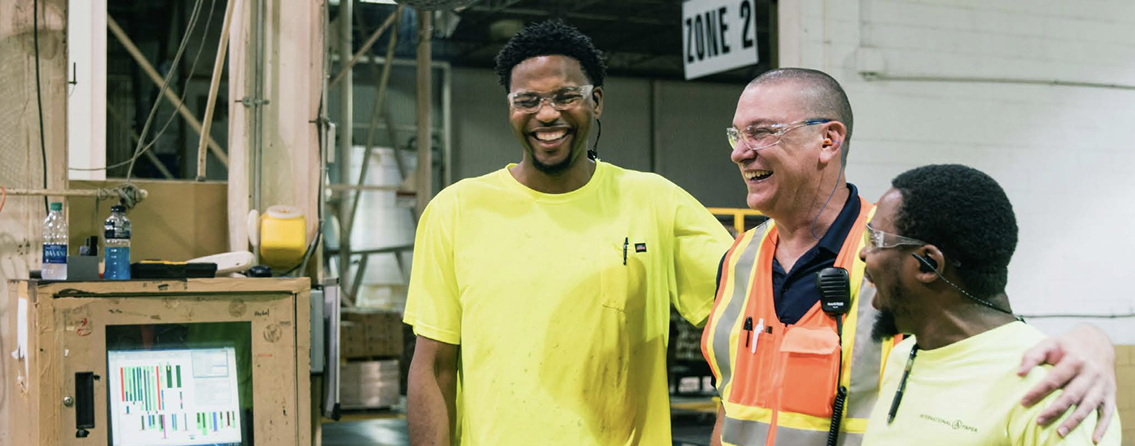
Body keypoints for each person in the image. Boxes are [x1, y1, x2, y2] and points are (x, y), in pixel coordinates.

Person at [702, 68, 1118, 446]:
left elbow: (987, 330)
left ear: (828, 140)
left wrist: (1093, 342)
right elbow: (730, 400)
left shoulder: (898, 254)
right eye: (736, 135)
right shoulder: (739, 256)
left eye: (763, 132)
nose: (740, 152)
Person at [403, 20, 732, 445]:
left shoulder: (654, 202)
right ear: (510, 107)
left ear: (595, 101)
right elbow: (433, 368)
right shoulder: (456, 210)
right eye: (528, 100)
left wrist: (729, 430)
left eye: (565, 96)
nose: (546, 113)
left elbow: (747, 321)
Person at [857, 164, 1121, 445]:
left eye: (875, 240)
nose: (863, 253)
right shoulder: (905, 356)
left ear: (928, 264)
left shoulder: (1052, 389)